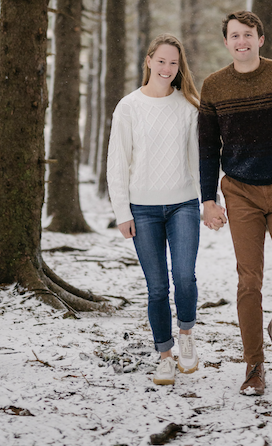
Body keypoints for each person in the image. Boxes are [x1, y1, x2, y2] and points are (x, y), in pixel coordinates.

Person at [199, 11, 272, 396]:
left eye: (248, 34)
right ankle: (254, 365)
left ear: (260, 39)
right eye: (234, 36)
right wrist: (208, 199)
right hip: (241, 192)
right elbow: (206, 148)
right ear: (227, 42)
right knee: (249, 280)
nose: (242, 41)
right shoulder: (214, 86)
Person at [107, 34, 201, 387]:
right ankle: (164, 356)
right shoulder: (128, 107)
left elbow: (199, 161)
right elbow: (117, 162)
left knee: (184, 277)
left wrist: (208, 201)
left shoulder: (188, 106)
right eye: (161, 61)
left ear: (180, 67)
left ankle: (187, 334)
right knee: (158, 287)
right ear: (148, 61)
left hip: (183, 205)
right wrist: (122, 212)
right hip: (142, 210)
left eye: (173, 63)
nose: (166, 68)